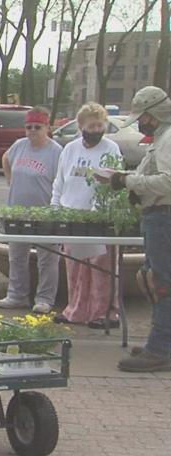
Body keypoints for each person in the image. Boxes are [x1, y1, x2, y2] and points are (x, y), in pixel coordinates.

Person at [101, 86, 171, 372]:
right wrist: (130, 181)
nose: (140, 122)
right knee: (154, 280)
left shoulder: (167, 140)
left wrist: (129, 182)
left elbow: (168, 181)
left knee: (161, 283)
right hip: (157, 215)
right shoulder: (160, 139)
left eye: (142, 117)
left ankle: (160, 348)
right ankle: (161, 342)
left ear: (154, 115)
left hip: (164, 217)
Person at [50, 102, 122, 328]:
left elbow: (115, 182)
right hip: (73, 215)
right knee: (75, 267)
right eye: (91, 126)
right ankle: (76, 309)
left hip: (99, 218)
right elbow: (60, 180)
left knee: (101, 267)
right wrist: (55, 208)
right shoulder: (70, 150)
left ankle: (103, 312)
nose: (96, 130)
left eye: (100, 125)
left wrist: (102, 211)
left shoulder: (111, 149)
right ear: (81, 126)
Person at [0, 107, 63, 313]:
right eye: (28, 127)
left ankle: (44, 299)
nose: (32, 131)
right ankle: (17, 295)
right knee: (16, 255)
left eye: (37, 127)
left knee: (47, 258)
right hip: (17, 212)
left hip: (45, 213)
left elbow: (62, 181)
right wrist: (10, 180)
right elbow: (5, 159)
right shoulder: (19, 146)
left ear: (47, 127)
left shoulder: (56, 152)